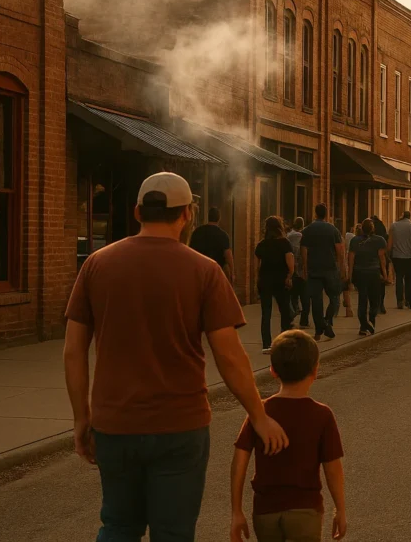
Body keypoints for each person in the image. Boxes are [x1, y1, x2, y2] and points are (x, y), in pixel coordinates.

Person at [63, 172, 288, 542]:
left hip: (115, 424)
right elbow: (229, 357)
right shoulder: (205, 271)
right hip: (180, 426)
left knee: (118, 526)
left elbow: (73, 351)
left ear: (137, 212)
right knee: (174, 533)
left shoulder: (97, 265)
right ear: (187, 214)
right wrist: (258, 416)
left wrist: (81, 419)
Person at [230, 330, 346, 542]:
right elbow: (333, 469)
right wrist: (340, 509)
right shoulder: (322, 415)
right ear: (315, 370)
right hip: (305, 510)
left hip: (265, 511)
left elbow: (240, 459)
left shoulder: (260, 413)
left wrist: (237, 511)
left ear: (273, 370)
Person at [300, 203, 345, 341]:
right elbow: (339, 251)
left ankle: (320, 329)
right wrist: (341, 268)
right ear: (326, 214)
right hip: (330, 268)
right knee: (335, 297)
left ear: (315, 213)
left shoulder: (307, 230)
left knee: (316, 301)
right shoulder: (332, 229)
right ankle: (327, 321)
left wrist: (305, 269)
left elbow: (304, 251)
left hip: (314, 269)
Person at [254, 216, 295, 353]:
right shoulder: (284, 243)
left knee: (266, 313)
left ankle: (266, 344)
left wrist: (257, 280)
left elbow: (257, 266)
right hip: (280, 281)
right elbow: (290, 263)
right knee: (285, 312)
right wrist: (289, 276)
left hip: (265, 280)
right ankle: (284, 342)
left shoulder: (261, 245)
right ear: (279, 227)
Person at [347, 218, 388, 336]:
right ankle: (370, 321)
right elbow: (382, 259)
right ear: (373, 228)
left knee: (362, 299)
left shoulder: (355, 241)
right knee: (375, 300)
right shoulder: (380, 240)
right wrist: (384, 274)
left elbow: (351, 259)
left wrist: (349, 276)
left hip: (359, 272)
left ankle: (363, 326)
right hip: (373, 272)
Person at [386, 210, 411, 309]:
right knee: (410, 280)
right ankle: (409, 301)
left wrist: (388, 255)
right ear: (409, 217)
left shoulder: (394, 226)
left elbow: (389, 244)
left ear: (401, 216)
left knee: (399, 278)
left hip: (397, 257)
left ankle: (399, 301)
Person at [189, 206, 235, 283]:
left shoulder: (197, 232)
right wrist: (232, 273)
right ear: (219, 218)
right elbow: (228, 256)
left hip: (199, 272)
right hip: (216, 273)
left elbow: (190, 251)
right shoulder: (223, 235)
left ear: (208, 217)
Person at [287, 217, 310, 329]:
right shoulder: (303, 237)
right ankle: (304, 321)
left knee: (293, 296)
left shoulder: (288, 237)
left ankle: (291, 316)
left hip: (292, 270)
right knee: (305, 297)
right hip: (302, 270)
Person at [371, 215, 389, 314]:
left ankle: (374, 305)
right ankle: (381, 304)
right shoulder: (382, 238)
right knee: (381, 285)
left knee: (371, 285)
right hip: (381, 263)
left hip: (371, 262)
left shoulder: (368, 238)